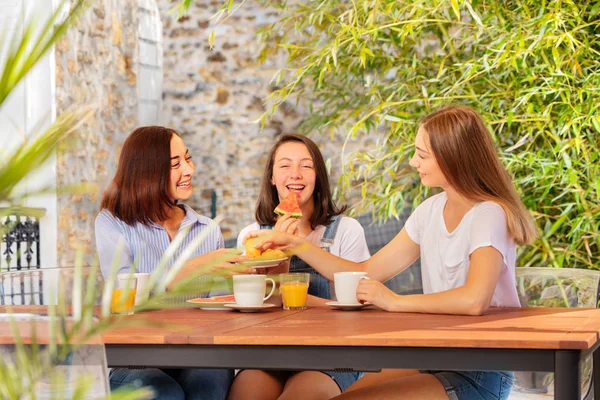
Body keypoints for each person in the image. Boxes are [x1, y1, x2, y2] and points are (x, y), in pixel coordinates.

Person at [243, 106, 537, 400]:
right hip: (435, 359)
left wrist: (394, 301)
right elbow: (366, 272)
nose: (412, 161)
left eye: (422, 155)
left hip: (480, 371)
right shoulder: (429, 211)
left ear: (451, 158)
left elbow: (474, 300)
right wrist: (295, 245)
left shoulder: (489, 214)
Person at [95, 126, 249, 400]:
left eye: (187, 159)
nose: (189, 170)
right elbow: (124, 297)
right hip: (134, 358)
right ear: (146, 171)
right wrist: (187, 271)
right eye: (176, 164)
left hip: (197, 353)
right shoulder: (112, 223)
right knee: (164, 392)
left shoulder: (207, 229)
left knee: (208, 384)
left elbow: (218, 311)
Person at [228, 133, 370, 400]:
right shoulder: (253, 235)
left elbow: (357, 307)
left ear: (317, 177)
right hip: (271, 350)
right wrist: (278, 258)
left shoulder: (346, 230)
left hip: (332, 352)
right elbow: (258, 310)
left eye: (306, 165)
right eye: (285, 166)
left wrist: (295, 254)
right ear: (271, 177)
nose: (295, 174)